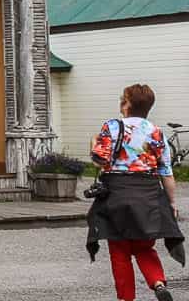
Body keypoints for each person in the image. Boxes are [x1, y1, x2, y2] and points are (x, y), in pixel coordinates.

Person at [87, 83, 184, 301]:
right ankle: (158, 282)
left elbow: (98, 161)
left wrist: (93, 143)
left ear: (126, 105)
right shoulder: (156, 132)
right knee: (144, 246)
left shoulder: (111, 127)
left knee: (120, 251)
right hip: (148, 195)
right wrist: (172, 203)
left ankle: (126, 298)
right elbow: (166, 173)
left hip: (117, 194)